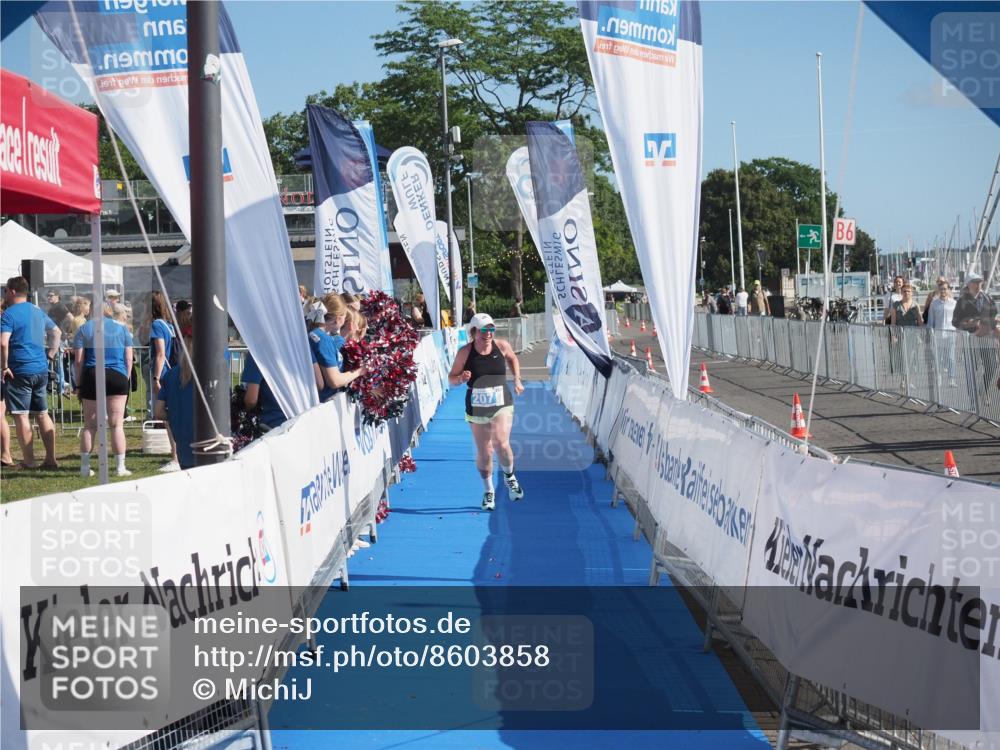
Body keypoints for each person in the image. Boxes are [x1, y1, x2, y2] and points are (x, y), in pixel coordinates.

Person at [447, 312, 524, 511]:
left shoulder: (502, 345)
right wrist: (461, 378)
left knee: (501, 442)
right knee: (485, 451)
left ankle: (510, 477)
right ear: (474, 332)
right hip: (477, 405)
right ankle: (488, 491)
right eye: (484, 330)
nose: (489, 334)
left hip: (501, 402)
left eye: (491, 329)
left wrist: (516, 379)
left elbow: (513, 359)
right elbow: (451, 379)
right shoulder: (465, 352)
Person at [1, 276, 61, 468]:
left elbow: (3, 342)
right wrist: (50, 354)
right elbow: (57, 332)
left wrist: (4, 366)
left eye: (5, 291)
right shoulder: (37, 310)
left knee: (21, 415)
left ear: (11, 291)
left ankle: (29, 460)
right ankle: (51, 459)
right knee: (43, 414)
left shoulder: (9, 314)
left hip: (19, 370)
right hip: (40, 369)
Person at [73, 301, 134, 477]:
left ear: (91, 310)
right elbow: (129, 358)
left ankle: (85, 468)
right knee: (116, 425)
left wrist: (78, 384)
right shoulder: (122, 329)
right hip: (117, 375)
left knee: (90, 426)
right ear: (109, 311)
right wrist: (126, 378)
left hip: (92, 375)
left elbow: (78, 362)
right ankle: (120, 467)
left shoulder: (84, 329)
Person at [155, 324, 196, 471]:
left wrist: (175, 414)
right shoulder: (207, 374)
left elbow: (158, 412)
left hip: (184, 450)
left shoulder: (170, 375)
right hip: (208, 447)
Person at [309, 295, 365, 401]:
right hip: (323, 403)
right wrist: (360, 371)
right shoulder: (323, 339)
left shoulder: (316, 333)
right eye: (344, 316)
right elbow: (334, 381)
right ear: (338, 319)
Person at [146, 291, 179, 470]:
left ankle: (175, 457)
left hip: (163, 373)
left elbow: (160, 354)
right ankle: (176, 454)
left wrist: (156, 377)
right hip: (172, 371)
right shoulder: (169, 325)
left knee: (167, 415)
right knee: (170, 415)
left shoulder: (157, 326)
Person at [241, 352, 287, 433]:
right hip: (301, 420)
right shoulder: (302, 347)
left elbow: (251, 400)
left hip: (273, 424)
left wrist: (243, 412)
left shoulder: (258, 352)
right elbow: (317, 382)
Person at [926, 278, 957, 386]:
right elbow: (930, 320)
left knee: (951, 357)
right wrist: (930, 332)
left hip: (951, 333)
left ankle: (951, 379)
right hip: (938, 333)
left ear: (948, 290)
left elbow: (957, 319)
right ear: (939, 290)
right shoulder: (934, 303)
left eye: (945, 289)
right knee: (938, 357)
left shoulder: (954, 303)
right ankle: (938, 376)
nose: (943, 291)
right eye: (941, 289)